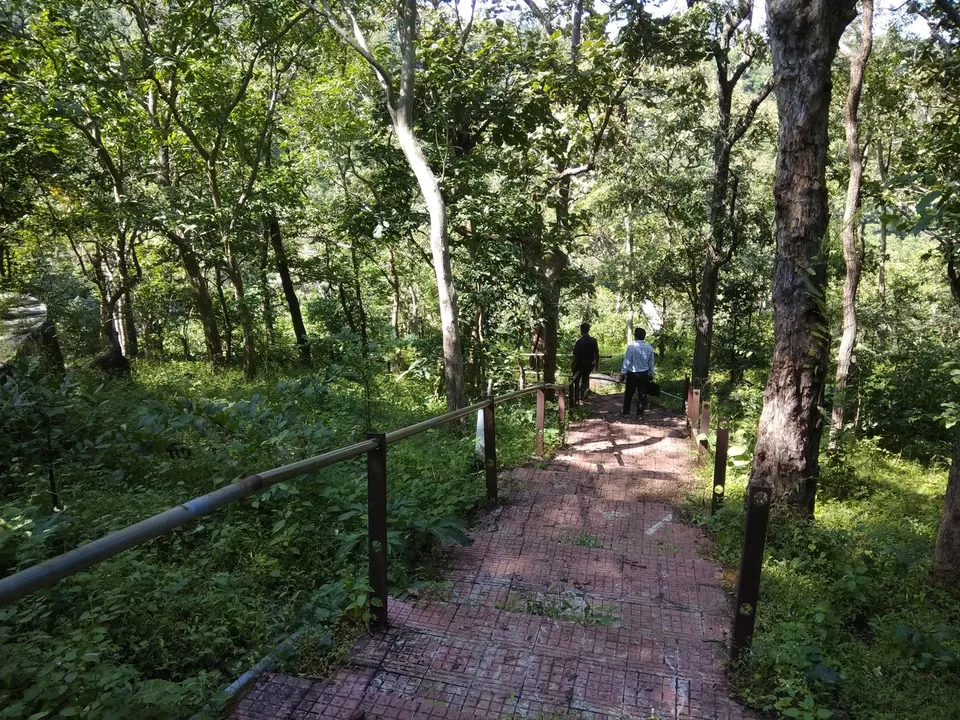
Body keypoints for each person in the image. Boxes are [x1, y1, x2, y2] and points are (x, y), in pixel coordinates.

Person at [620, 327, 655, 418]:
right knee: (642, 394)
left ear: (635, 336)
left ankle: (626, 412)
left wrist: (623, 373)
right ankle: (640, 414)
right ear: (644, 336)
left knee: (629, 393)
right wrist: (651, 373)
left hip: (632, 374)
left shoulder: (631, 347)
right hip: (644, 373)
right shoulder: (649, 348)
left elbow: (627, 361)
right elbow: (651, 362)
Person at [571, 322, 600, 399]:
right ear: (588, 330)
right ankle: (584, 394)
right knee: (586, 378)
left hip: (580, 364)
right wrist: (597, 364)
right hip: (590, 364)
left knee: (576, 379)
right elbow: (597, 353)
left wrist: (572, 366)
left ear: (581, 330)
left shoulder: (579, 342)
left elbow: (575, 356)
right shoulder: (593, 340)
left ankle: (577, 397)